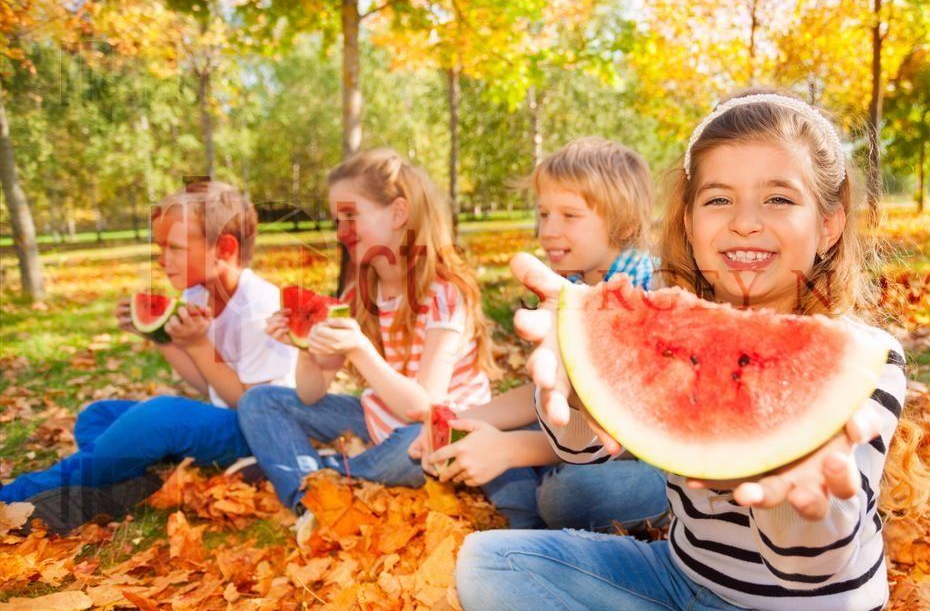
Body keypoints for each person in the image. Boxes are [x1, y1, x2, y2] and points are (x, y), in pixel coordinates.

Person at [399, 91, 908, 611]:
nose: (746, 220)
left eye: (778, 197)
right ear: (689, 223)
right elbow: (581, 449)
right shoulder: (669, 335)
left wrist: (795, 505)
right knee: (489, 563)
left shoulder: (869, 361)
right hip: (674, 585)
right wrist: (574, 388)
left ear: (828, 224)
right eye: (719, 200)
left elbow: (815, 565)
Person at [0, 180, 296, 533]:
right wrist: (160, 337)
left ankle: (18, 494)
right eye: (161, 247)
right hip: (223, 421)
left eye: (175, 247)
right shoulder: (198, 295)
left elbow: (252, 405)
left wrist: (200, 345)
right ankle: (138, 487)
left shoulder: (259, 307)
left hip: (261, 434)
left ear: (225, 248)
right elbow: (204, 381)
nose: (162, 259)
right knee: (97, 416)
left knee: (160, 415)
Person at [237, 149, 497, 540]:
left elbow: (422, 407)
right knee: (260, 402)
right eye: (337, 220)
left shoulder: (446, 293)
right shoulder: (359, 289)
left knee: (414, 446)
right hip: (380, 420)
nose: (341, 232)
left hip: (442, 431)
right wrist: (305, 345)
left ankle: (315, 478)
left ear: (397, 213)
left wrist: (360, 348)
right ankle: (312, 499)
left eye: (351, 216)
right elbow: (309, 394)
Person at [412, 137, 669, 531]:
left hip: (655, 465)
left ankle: (532, 485)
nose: (548, 229)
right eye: (544, 213)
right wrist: (458, 419)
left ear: (625, 225)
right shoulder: (566, 287)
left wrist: (513, 450)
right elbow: (546, 399)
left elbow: (632, 437)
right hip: (579, 437)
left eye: (569, 215)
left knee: (565, 495)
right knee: (431, 440)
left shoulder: (652, 290)